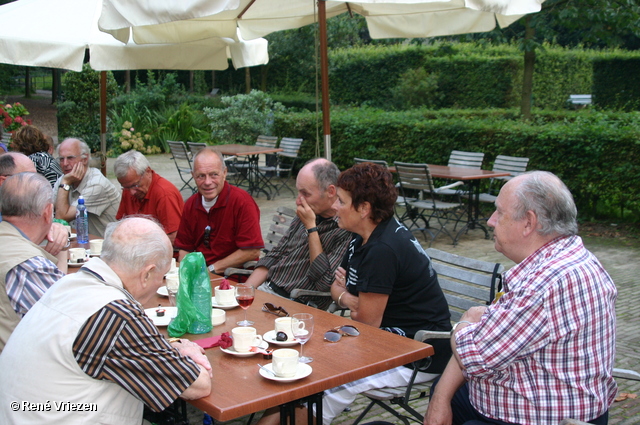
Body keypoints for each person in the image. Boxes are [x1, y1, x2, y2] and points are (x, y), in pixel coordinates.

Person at [257, 162, 452, 425]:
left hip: (417, 354)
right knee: (302, 365)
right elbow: (336, 287)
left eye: (342, 201)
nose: (335, 206)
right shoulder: (362, 236)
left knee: (324, 378)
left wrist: (350, 300)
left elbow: (366, 323)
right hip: (386, 342)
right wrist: (348, 299)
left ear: (363, 209)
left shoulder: (382, 250)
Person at [424, 171, 617, 425]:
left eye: (499, 213)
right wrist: (441, 396)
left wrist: (465, 321)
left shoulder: (543, 283)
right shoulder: (571, 257)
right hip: (539, 400)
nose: (491, 221)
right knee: (442, 390)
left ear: (528, 222)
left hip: (541, 418)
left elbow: (475, 356)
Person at [0, 217, 212, 424]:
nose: (160, 283)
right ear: (147, 274)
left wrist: (172, 347)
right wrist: (189, 350)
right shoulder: (116, 314)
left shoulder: (68, 284)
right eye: (162, 276)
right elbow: (197, 385)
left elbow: (114, 344)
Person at [245, 158, 351, 309]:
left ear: (331, 191)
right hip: (265, 292)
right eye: (298, 192)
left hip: (297, 305)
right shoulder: (308, 211)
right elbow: (276, 254)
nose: (298, 201)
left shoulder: (346, 228)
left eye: (305, 193)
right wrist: (243, 292)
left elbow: (324, 283)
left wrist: (311, 228)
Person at [0, 172, 67, 353]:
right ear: (47, 212)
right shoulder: (28, 266)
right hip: (16, 371)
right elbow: (69, 323)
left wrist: (62, 247)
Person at [175, 147, 263, 274]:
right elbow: (184, 248)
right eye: (201, 176)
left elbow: (252, 250)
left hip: (233, 276)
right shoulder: (190, 204)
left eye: (213, 174)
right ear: (193, 176)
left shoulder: (242, 202)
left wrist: (210, 270)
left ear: (224, 173)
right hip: (201, 275)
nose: (207, 182)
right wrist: (185, 273)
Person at [0, 152, 69, 252]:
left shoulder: (20, 204)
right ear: (3, 182)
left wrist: (57, 229)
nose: (36, 182)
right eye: (29, 176)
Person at [53, 138, 120, 237]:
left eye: (70, 158)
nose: (65, 163)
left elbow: (61, 218)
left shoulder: (97, 183)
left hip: (108, 246)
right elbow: (47, 209)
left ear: (84, 159)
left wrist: (65, 183)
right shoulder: (64, 179)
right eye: (61, 159)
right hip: (84, 243)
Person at [114, 150, 184, 244]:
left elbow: (173, 237)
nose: (131, 192)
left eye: (135, 185)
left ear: (147, 172)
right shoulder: (130, 188)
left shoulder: (164, 194)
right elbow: (120, 225)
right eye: (126, 187)